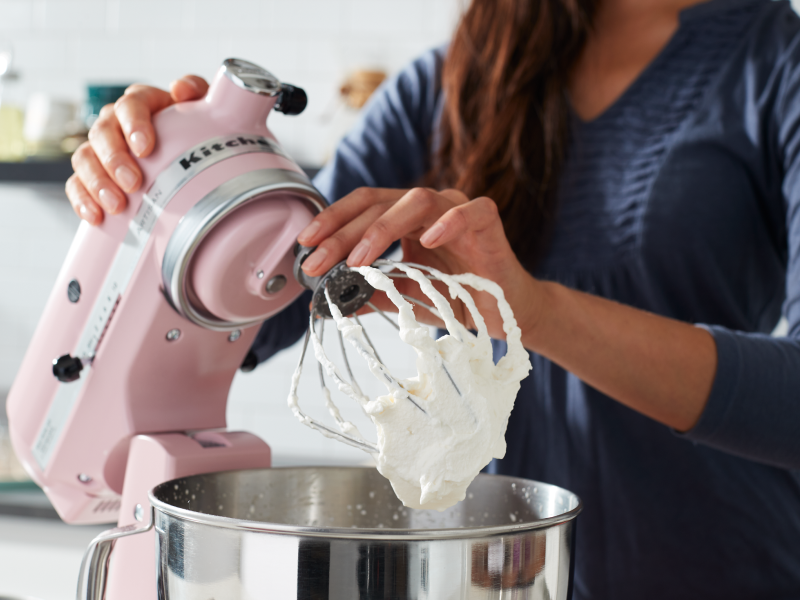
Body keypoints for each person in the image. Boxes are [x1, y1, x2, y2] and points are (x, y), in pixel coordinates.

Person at [65, 0, 800, 596]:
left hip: (722, 568)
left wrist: (532, 309)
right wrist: (163, 191)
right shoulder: (449, 83)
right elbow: (265, 309)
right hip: (492, 581)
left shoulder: (774, 62)